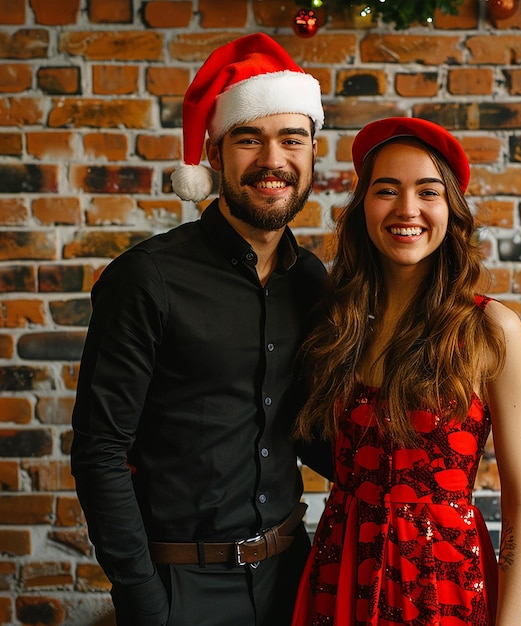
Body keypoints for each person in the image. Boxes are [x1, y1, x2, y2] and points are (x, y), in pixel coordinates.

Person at [71, 33, 332, 626]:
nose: (274, 160)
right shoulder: (146, 279)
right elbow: (100, 451)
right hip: (182, 590)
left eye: (292, 140)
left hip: (294, 575)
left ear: (313, 152)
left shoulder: (311, 280)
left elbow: (307, 428)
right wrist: (144, 602)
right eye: (249, 139)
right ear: (215, 155)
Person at [291, 117, 521, 626]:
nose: (407, 209)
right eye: (387, 190)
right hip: (342, 576)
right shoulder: (337, 323)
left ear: (450, 208)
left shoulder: (490, 329)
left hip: (443, 584)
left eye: (428, 192)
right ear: (364, 209)